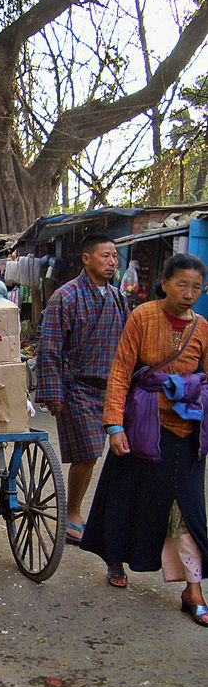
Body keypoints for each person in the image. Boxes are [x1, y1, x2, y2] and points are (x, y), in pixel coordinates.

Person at [81, 254, 208, 621]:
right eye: (182, 285)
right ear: (165, 282)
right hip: (142, 423)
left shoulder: (202, 328)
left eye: (196, 288)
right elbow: (121, 371)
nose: (188, 294)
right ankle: (114, 556)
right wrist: (114, 425)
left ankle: (193, 588)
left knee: (187, 508)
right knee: (126, 493)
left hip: (188, 431)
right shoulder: (142, 317)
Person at [35, 232, 129, 544]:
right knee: (88, 452)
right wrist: (52, 393)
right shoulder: (66, 296)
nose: (112, 262)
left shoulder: (118, 299)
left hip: (109, 386)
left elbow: (128, 348)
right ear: (86, 259)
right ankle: (72, 511)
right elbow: (49, 348)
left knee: (116, 452)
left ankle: (105, 514)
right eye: (105, 256)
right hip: (75, 385)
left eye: (114, 256)